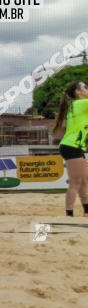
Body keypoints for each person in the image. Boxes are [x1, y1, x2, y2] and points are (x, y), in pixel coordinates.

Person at [52, 81, 88, 216]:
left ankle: (86, 211)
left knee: (84, 181)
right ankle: (69, 214)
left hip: (73, 147)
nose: (87, 88)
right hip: (72, 147)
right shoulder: (82, 104)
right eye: (85, 87)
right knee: (75, 183)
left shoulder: (77, 105)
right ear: (78, 92)